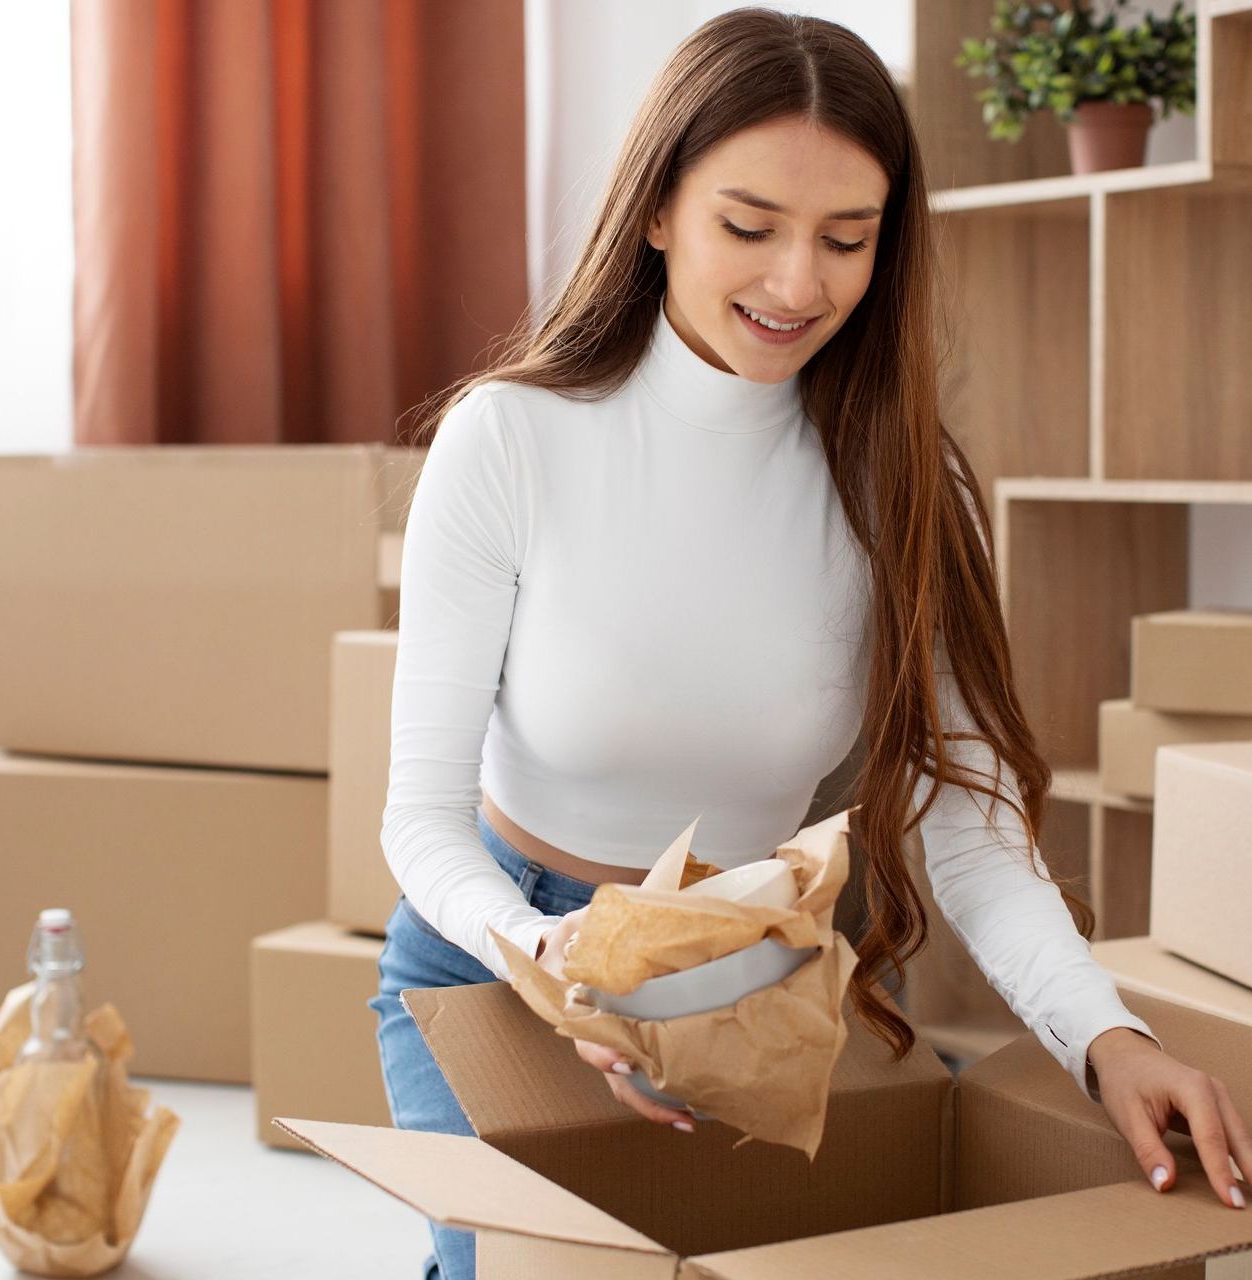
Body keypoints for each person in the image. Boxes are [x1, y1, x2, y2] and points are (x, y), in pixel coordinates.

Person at [366, 9, 1251, 1278]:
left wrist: (1109, 1040)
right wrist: (557, 960)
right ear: (657, 209)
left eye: (846, 239)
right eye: (748, 226)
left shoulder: (900, 490)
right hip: (495, 961)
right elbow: (421, 819)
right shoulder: (508, 441)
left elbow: (973, 831)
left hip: (746, 979)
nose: (798, 284)